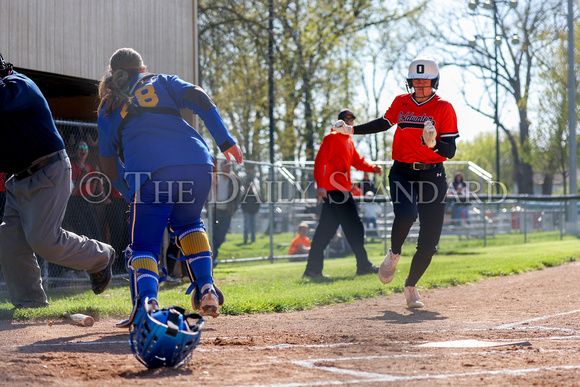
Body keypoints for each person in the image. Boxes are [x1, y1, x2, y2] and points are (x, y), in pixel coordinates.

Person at [96, 48, 242, 323]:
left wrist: (129, 190)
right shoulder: (161, 81)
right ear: (142, 70)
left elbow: (108, 161)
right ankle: (207, 287)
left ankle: (146, 304)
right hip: (198, 164)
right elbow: (198, 96)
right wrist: (226, 141)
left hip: (150, 173)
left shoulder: (108, 107)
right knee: (189, 225)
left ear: (113, 74)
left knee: (144, 246)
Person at [333, 56, 459, 308]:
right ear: (410, 82)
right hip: (402, 171)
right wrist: (352, 130)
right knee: (406, 214)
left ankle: (411, 286)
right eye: (416, 82)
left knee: (429, 242)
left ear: (435, 82)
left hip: (432, 175)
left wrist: (433, 143)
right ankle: (394, 254)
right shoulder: (401, 102)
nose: (421, 87)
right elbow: (383, 122)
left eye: (426, 82)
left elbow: (450, 151)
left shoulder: (444, 107)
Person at [0, 52, 115, 308]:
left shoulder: (19, 84)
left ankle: (100, 256)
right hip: (18, 179)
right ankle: (30, 303)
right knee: (9, 242)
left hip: (47, 170)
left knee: (44, 241)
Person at [302, 108, 383, 278]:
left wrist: (373, 169)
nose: (349, 121)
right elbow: (321, 161)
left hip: (341, 190)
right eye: (345, 119)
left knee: (325, 231)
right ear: (339, 121)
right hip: (336, 190)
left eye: (351, 119)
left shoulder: (348, 141)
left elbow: (357, 162)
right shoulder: (332, 138)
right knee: (355, 227)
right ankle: (363, 265)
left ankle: (312, 270)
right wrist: (321, 185)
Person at [212, 160, 243, 264]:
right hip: (214, 211)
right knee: (212, 236)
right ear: (221, 167)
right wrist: (208, 207)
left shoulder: (235, 180)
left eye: (229, 166)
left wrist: (233, 209)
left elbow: (238, 197)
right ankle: (211, 259)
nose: (228, 168)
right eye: (226, 166)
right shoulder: (215, 178)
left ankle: (212, 257)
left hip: (226, 212)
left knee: (220, 237)